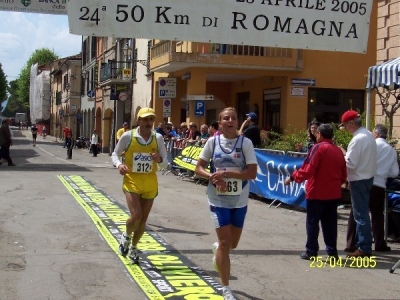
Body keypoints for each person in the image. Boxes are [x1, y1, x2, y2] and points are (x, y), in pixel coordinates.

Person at [194, 107, 257, 300]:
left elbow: (252, 173)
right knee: (224, 242)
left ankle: (219, 253)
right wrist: (213, 177)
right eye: (226, 118)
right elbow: (198, 168)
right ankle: (226, 288)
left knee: (233, 244)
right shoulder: (212, 142)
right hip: (217, 199)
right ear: (220, 123)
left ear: (237, 123)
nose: (230, 121)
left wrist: (227, 174)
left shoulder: (245, 143)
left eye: (233, 118)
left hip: (239, 200)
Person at [112, 107, 168, 263]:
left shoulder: (158, 138)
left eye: (151, 119)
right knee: (136, 216)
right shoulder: (128, 136)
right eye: (145, 119)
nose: (148, 122)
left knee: (143, 220)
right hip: (132, 180)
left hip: (150, 182)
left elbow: (165, 164)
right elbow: (115, 153)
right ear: (138, 120)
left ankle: (134, 247)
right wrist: (119, 165)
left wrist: (159, 159)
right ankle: (126, 236)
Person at [284, 124, 347, 260]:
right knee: (330, 224)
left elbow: (308, 169)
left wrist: (293, 177)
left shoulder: (317, 148)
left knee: (313, 223)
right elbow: (343, 173)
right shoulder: (337, 150)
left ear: (320, 134)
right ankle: (332, 252)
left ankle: (311, 250)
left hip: (316, 192)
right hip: (333, 193)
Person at [345, 124, 399, 252]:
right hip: (380, 184)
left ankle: (352, 243)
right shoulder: (391, 150)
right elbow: (394, 172)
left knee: (356, 213)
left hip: (364, 179)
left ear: (376, 134)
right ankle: (379, 242)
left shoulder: (371, 145)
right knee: (377, 215)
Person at [340, 110, 377, 257]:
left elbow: (351, 163)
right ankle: (361, 244)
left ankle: (364, 247)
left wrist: (341, 154)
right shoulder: (368, 135)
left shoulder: (358, 139)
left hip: (359, 179)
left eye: (345, 125)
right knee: (361, 214)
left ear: (351, 124)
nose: (345, 128)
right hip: (367, 178)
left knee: (360, 215)